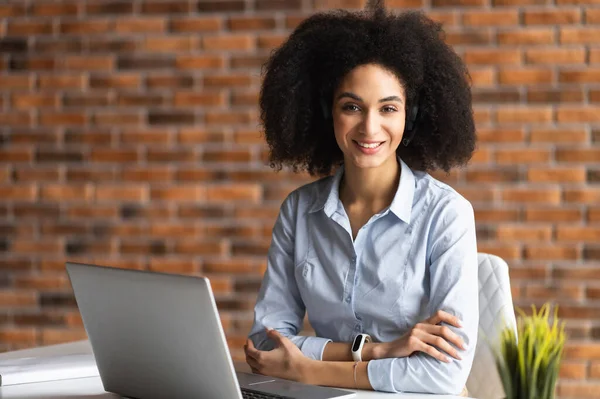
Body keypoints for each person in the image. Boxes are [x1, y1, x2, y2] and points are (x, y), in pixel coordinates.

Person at [244, 0, 478, 395]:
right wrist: (377, 351)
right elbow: (267, 344)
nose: (370, 128)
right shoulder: (299, 211)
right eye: (352, 106)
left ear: (412, 116)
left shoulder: (446, 215)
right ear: (326, 111)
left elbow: (444, 374)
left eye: (389, 108)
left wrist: (309, 369)